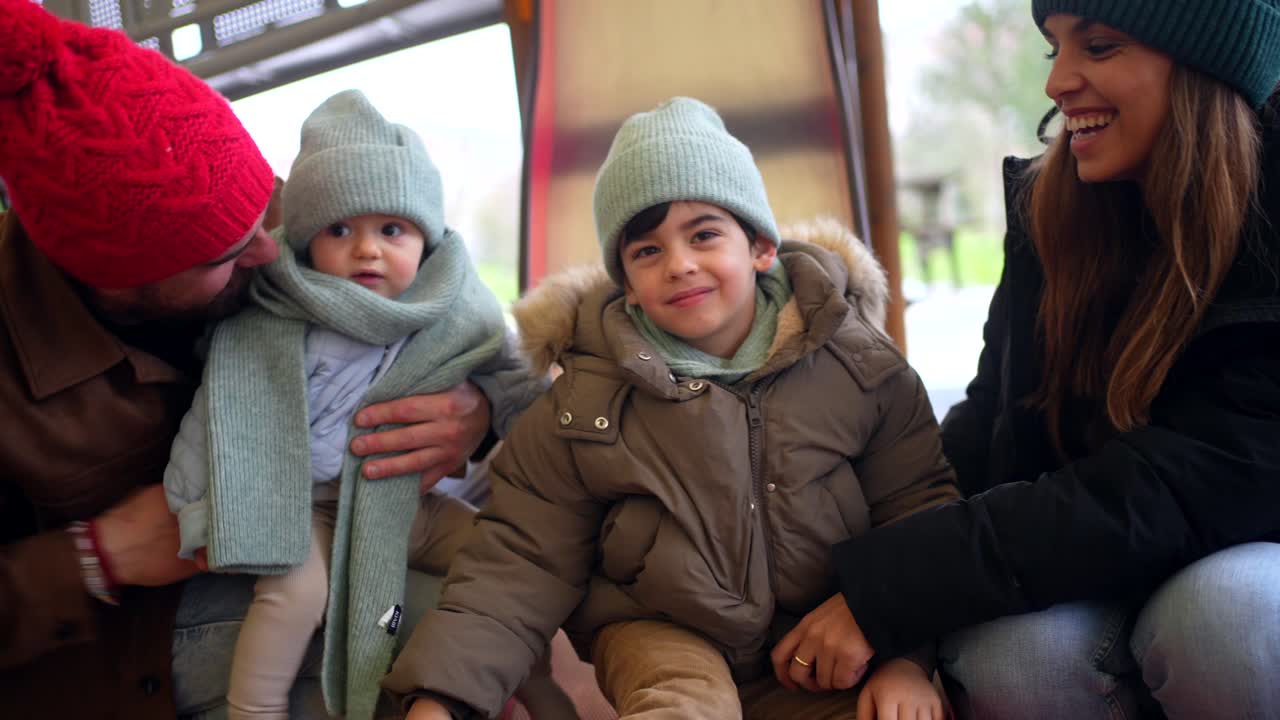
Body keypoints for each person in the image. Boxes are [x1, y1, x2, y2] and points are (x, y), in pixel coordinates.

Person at [773, 2, 1280, 718]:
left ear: (1208, 65)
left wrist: (900, 585)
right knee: (1009, 661)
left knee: (1228, 620)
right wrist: (887, 615)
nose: (1058, 82)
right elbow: (991, 425)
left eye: (1100, 47)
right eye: (1054, 49)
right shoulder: (1054, 214)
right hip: (1103, 563)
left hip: (1243, 561)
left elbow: (1183, 486)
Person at [383, 97, 960, 720]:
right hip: (658, 628)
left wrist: (906, 656)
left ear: (761, 247)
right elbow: (520, 557)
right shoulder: (583, 401)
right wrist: (442, 696)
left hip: (823, 626)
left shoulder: (859, 366)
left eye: (705, 234)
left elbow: (917, 507)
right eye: (647, 251)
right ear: (626, 287)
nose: (679, 263)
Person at [0, 4, 494, 718]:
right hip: (131, 655)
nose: (270, 252)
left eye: (265, 209)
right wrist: (91, 555)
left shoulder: (272, 220)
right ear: (117, 280)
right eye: (225, 254)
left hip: (344, 533)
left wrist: (472, 412)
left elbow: (429, 314)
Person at [162, 89, 560, 720]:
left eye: (391, 229)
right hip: (308, 507)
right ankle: (253, 707)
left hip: (409, 498)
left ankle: (532, 689)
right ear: (303, 238)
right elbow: (217, 420)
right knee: (295, 595)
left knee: (499, 563)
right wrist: (200, 513)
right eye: (340, 229)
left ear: (425, 240)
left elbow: (515, 378)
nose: (367, 249)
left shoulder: (455, 309)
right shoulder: (273, 316)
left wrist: (530, 424)